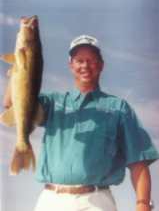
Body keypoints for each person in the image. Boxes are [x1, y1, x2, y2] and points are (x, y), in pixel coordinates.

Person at [3, 35, 159, 211]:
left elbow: (138, 161)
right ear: (71, 65)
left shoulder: (119, 108)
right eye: (79, 60)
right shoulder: (53, 103)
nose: (85, 66)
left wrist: (143, 205)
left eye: (91, 60)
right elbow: (11, 104)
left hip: (97, 201)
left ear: (101, 65)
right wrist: (19, 65)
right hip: (51, 201)